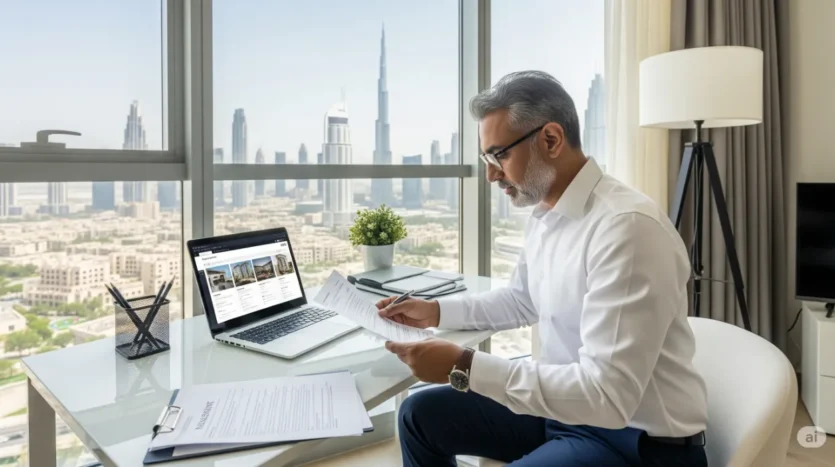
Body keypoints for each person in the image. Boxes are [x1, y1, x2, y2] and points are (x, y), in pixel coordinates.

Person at [378, 71, 708, 466]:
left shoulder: (627, 228)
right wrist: (435, 311)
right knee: (418, 415)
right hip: (565, 413)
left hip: (634, 440)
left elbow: (607, 397)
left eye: (499, 155)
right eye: (487, 158)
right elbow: (521, 300)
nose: (490, 174)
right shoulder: (547, 212)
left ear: (551, 139)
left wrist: (464, 365)